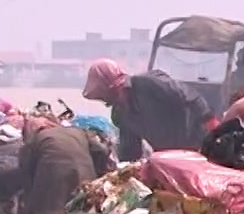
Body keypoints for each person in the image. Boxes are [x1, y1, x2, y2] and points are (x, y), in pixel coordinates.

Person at [83, 59, 212, 158]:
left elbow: (189, 96)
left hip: (197, 144)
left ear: (110, 87)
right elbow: (130, 150)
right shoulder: (120, 114)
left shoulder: (147, 83)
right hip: (168, 156)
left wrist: (210, 123)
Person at [9, 119, 101, 214]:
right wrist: (100, 175)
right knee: (84, 208)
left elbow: (28, 176)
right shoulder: (77, 131)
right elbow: (101, 150)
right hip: (86, 174)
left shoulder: (33, 142)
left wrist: (29, 207)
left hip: (55, 178)